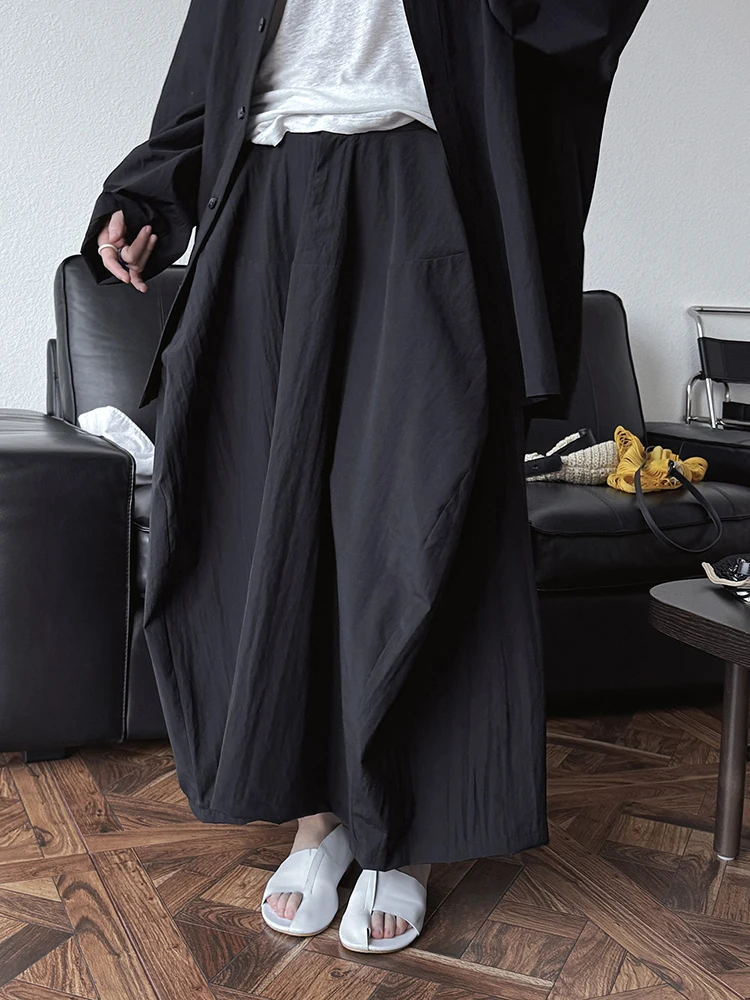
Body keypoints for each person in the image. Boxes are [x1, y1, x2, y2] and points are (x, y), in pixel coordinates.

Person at [80, 0, 649, 956]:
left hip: (423, 181)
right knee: (271, 522)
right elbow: (214, 57)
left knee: (417, 517)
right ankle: (321, 820)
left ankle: (405, 832)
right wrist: (148, 194)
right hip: (264, 193)